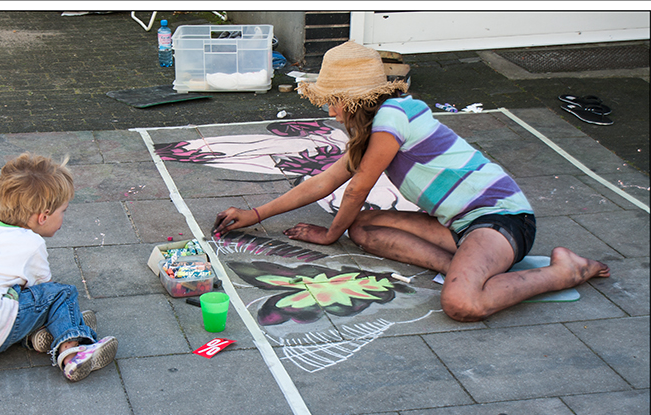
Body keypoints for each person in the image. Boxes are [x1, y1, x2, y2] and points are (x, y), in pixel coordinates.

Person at [212, 41, 609, 322]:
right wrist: (255, 213)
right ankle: (466, 266)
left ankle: (565, 271)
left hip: (501, 222)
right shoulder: (373, 128)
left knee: (462, 304)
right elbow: (323, 181)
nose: (329, 109)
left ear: (352, 101)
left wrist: (329, 236)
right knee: (362, 225)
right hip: (460, 228)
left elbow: (357, 187)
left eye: (332, 100)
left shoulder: (394, 117)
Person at [0, 153, 117, 381]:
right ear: (43, 216)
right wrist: (61, 313)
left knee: (11, 294)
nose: (64, 218)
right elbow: (47, 294)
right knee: (63, 294)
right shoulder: (32, 243)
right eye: (63, 211)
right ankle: (72, 351)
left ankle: (35, 336)